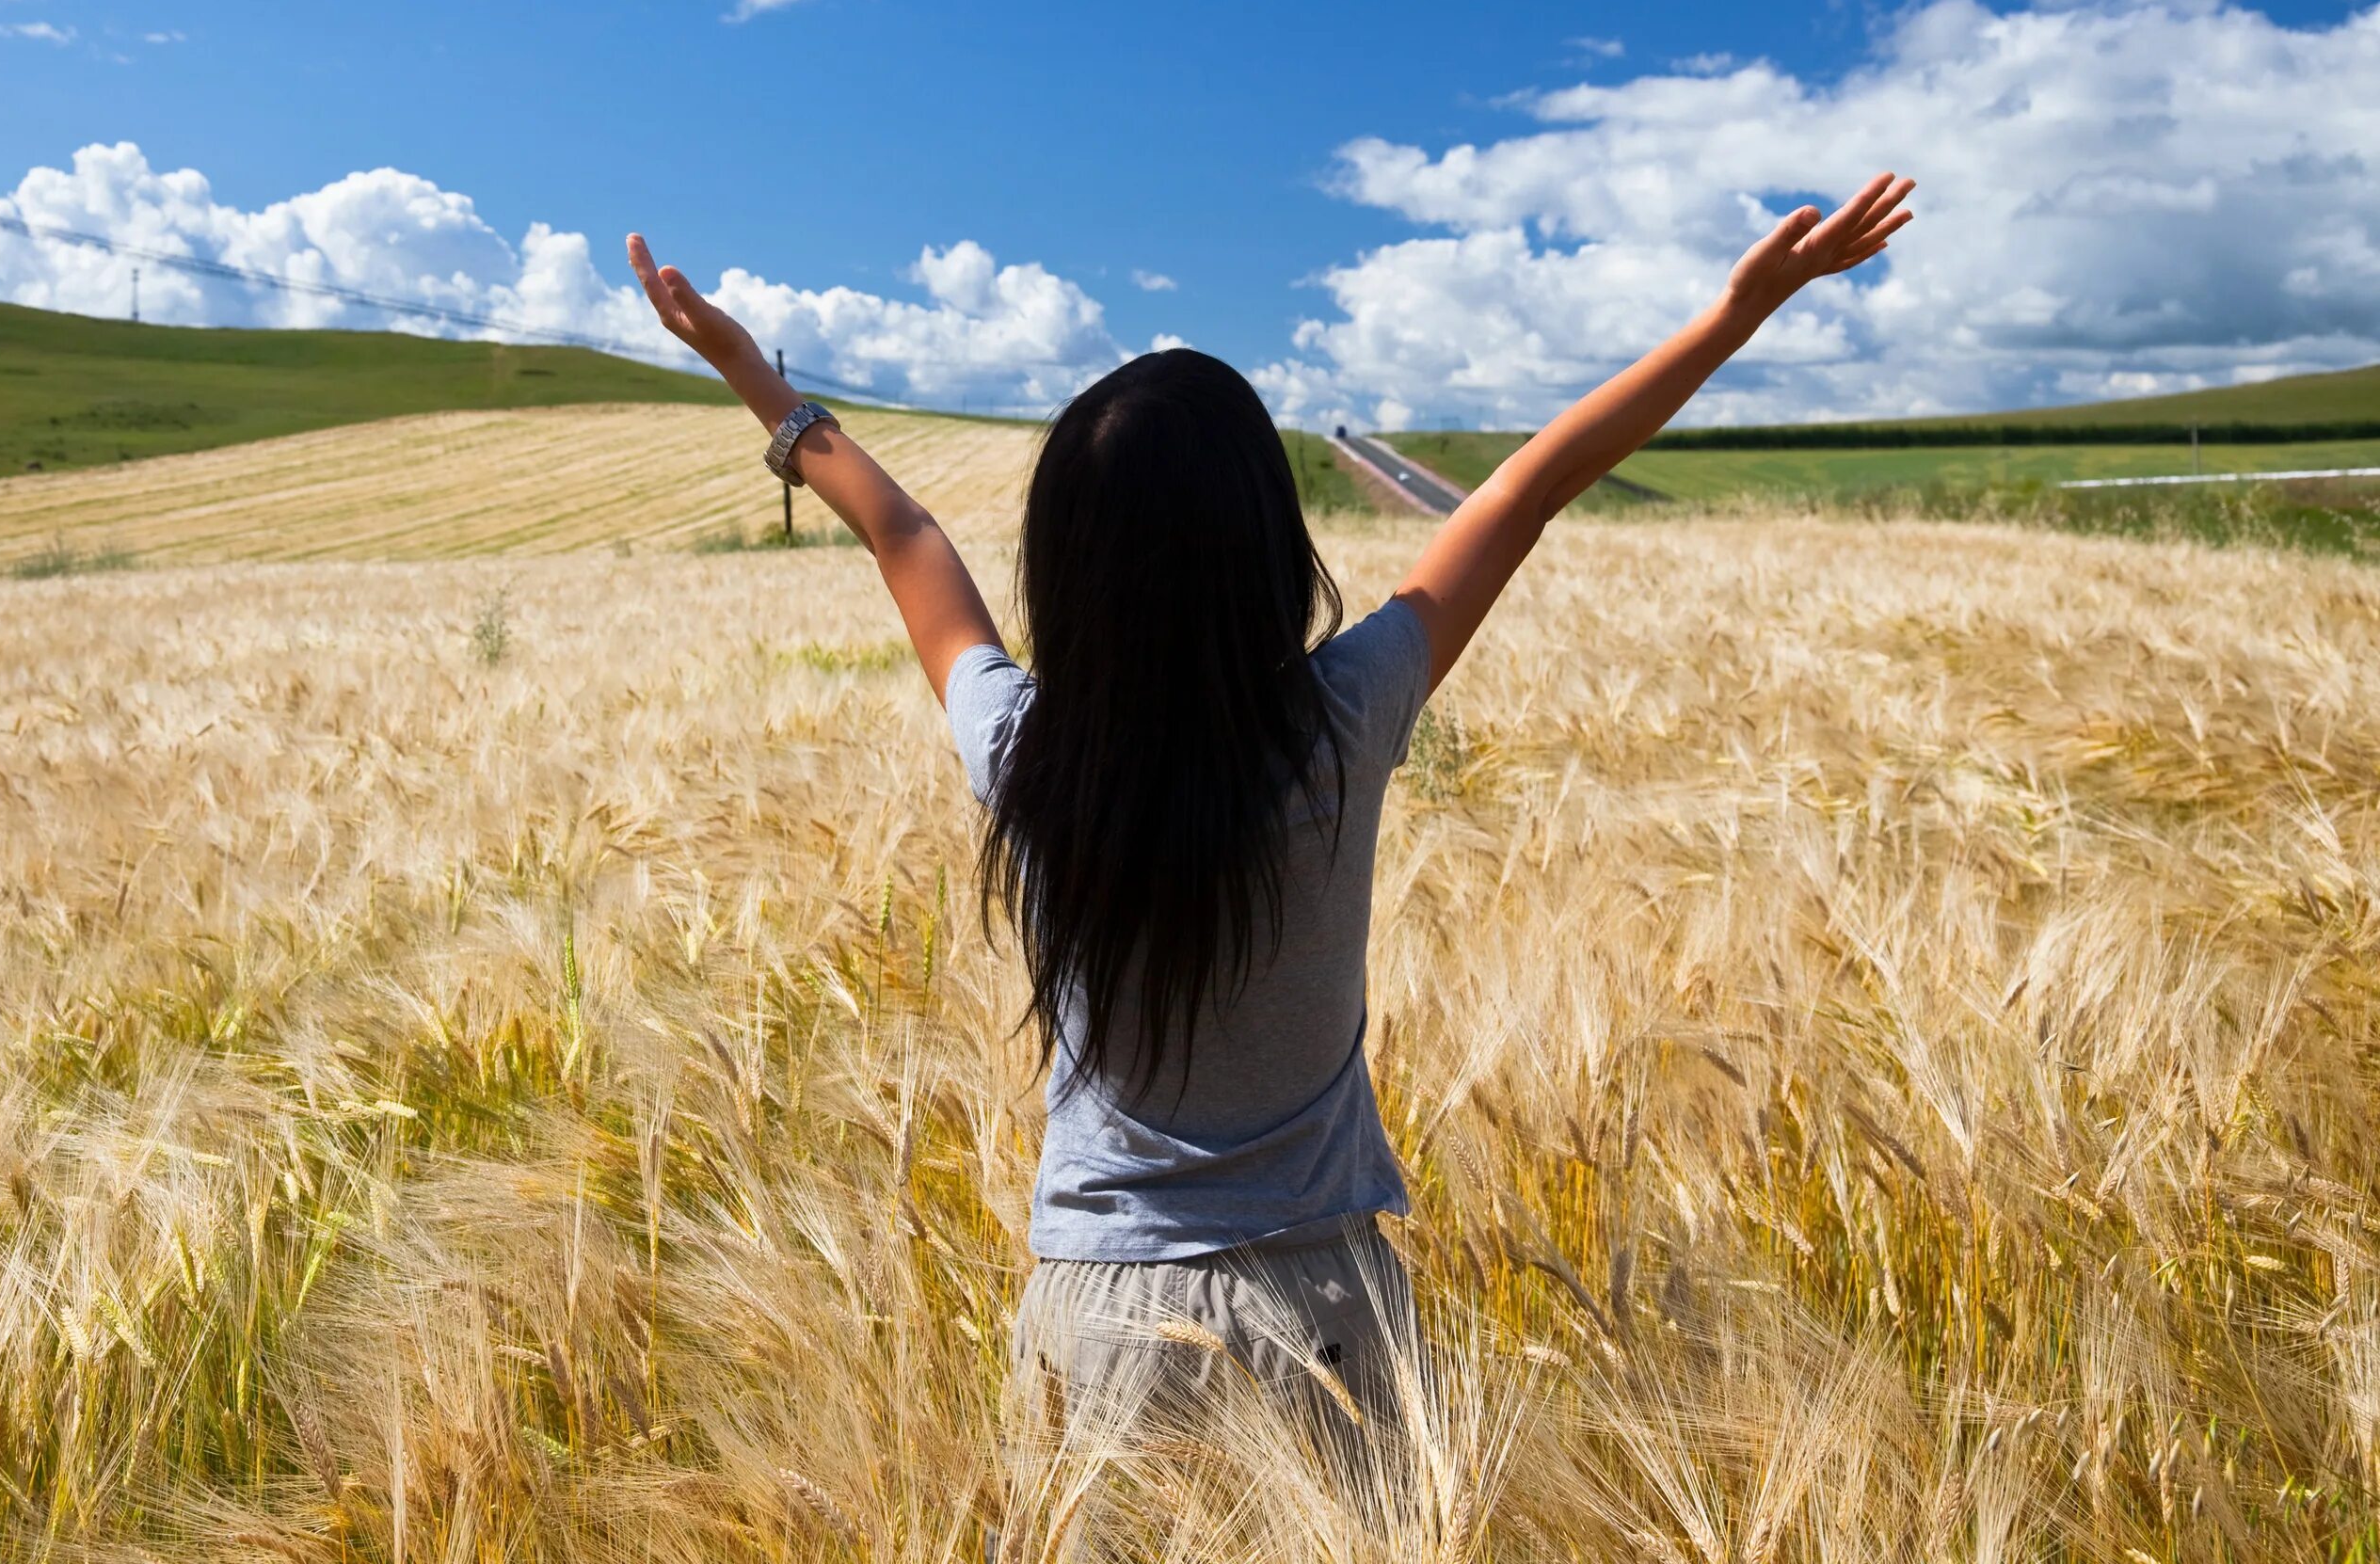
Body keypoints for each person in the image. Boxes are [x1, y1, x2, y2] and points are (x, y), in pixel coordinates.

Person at [622, 171, 1914, 1459]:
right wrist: (1739, 312)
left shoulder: (1023, 752)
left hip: (1102, 1332)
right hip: (1330, 1317)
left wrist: (758, 382)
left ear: (1067, 572)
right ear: (1270, 550)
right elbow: (1528, 486)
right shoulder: (1341, 722)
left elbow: (902, 533)